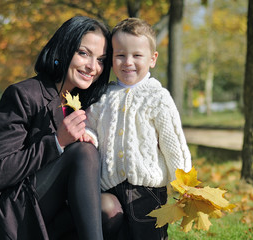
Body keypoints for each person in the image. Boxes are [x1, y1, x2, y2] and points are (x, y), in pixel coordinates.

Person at [0, 16, 112, 240]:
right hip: (5, 213)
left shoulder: (86, 105)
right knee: (83, 152)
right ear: (63, 50)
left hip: (48, 209)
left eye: (101, 59)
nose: (93, 67)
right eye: (84, 53)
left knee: (110, 208)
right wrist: (57, 142)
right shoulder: (23, 95)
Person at [83, 18, 192, 240]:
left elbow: (173, 145)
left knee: (149, 234)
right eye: (120, 55)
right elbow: (90, 127)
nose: (128, 62)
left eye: (137, 55)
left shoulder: (157, 97)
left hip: (147, 189)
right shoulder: (103, 96)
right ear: (111, 59)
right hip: (109, 186)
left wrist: (185, 185)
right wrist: (89, 136)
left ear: (152, 59)